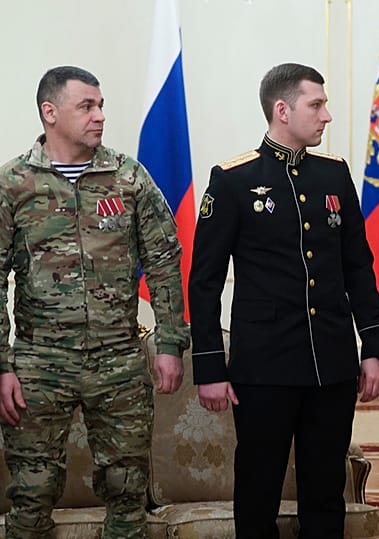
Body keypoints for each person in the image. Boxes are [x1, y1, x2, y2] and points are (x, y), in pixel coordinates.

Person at [188, 62, 379, 539]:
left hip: (333, 365)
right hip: (265, 368)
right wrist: (211, 368)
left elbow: (358, 267)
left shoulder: (334, 175)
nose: (327, 116)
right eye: (316, 105)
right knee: (258, 489)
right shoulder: (233, 180)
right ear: (283, 110)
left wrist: (374, 348)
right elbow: (204, 281)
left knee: (325, 491)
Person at [0, 66, 190, 538]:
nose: (100, 116)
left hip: (119, 361)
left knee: (127, 493)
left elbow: (164, 258)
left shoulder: (128, 177)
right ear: (50, 112)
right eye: (87, 106)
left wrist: (169, 341)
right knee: (31, 495)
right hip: (40, 364)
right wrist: (2, 364)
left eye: (101, 105)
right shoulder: (14, 184)